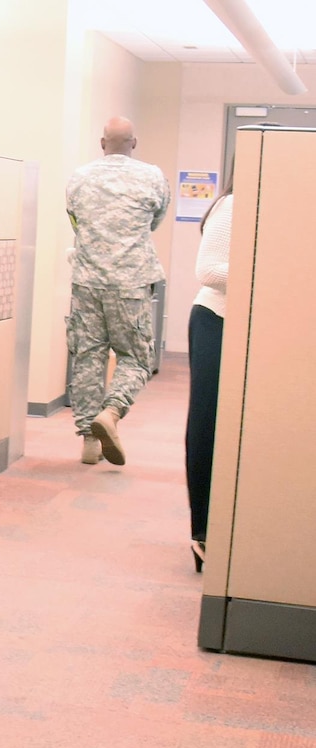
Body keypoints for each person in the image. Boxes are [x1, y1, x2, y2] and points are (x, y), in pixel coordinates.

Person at [66, 116, 170, 466]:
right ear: (134, 143)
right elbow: (154, 221)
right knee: (136, 356)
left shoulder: (79, 177)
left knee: (87, 357)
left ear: (101, 143)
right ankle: (111, 413)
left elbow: (75, 221)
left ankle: (89, 442)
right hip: (131, 283)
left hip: (87, 282)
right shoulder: (153, 176)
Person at [186, 176, 233, 572]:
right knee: (206, 423)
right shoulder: (232, 204)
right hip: (215, 320)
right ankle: (201, 532)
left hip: (244, 326)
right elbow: (208, 270)